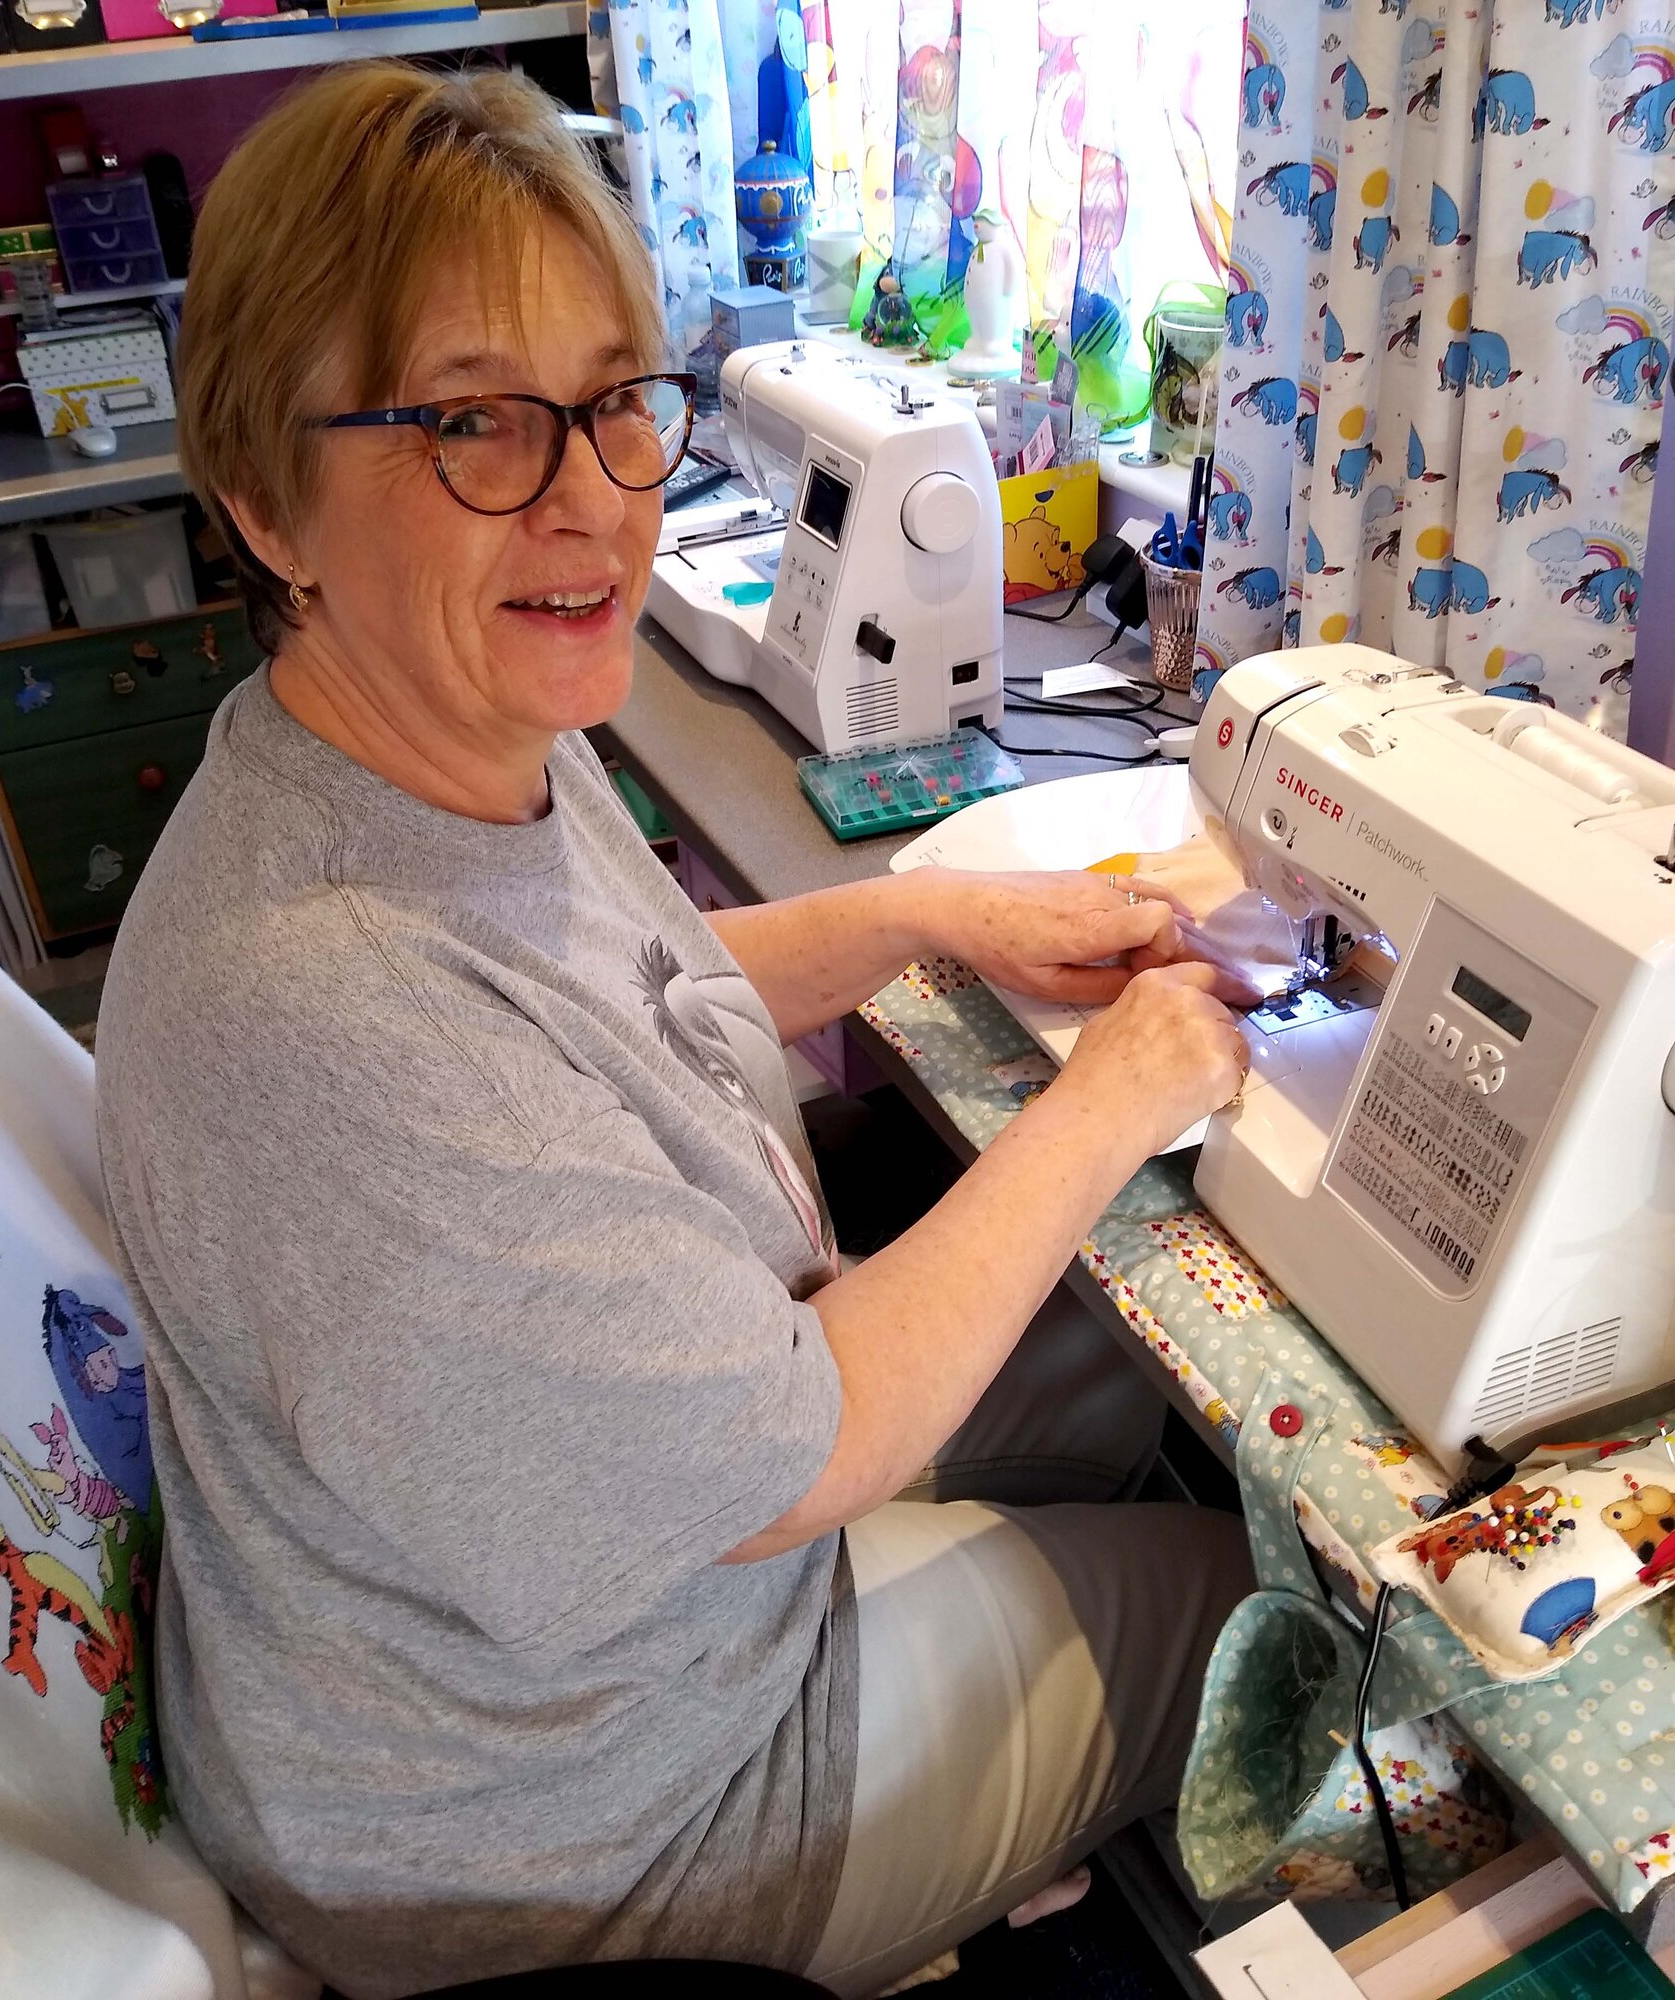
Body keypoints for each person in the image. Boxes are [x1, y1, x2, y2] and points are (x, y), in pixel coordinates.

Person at [94, 62, 1254, 2000]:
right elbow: (807, 1438)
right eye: (474, 420)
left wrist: (918, 913)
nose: (588, 497)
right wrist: (1129, 1082)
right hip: (601, 1833)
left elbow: (638, 993)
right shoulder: (325, 1010)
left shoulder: (430, 752)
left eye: (617, 399)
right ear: (267, 500)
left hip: (604, 1599)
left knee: (1136, 1384)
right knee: (1255, 1599)